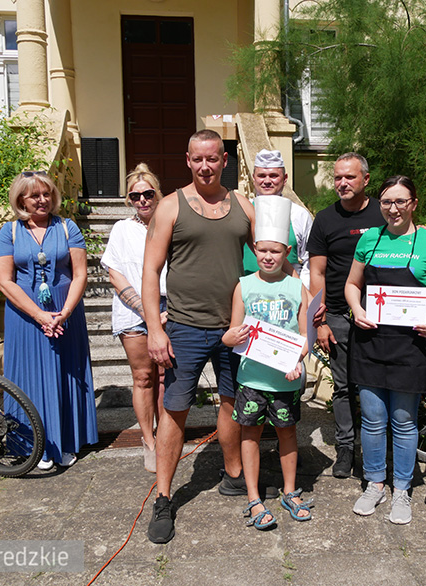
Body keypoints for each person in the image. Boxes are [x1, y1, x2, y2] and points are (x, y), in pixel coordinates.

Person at [142, 129, 277, 544]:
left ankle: (233, 475)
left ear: (224, 161)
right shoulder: (170, 207)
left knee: (234, 402)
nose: (205, 166)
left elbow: (273, 251)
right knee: (175, 410)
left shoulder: (241, 204)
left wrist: (301, 297)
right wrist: (154, 329)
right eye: (198, 159)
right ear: (188, 160)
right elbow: (150, 272)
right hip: (183, 327)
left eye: (213, 159)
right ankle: (163, 497)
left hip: (236, 328)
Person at [345, 176, 426, 524]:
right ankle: (375, 483)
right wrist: (358, 309)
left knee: (405, 422)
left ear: (413, 203)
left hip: (411, 347)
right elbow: (352, 284)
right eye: (386, 202)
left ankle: (402, 490)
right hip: (370, 342)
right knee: (372, 419)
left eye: (400, 201)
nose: (392, 209)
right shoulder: (369, 239)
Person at [0, 171, 98, 470]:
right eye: (35, 195)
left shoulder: (67, 227)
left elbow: (80, 273)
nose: (42, 200)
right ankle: (32, 446)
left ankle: (64, 442)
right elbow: (5, 281)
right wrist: (39, 314)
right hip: (25, 316)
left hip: (66, 312)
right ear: (21, 200)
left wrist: (63, 312)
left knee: (66, 374)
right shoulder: (9, 231)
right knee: (28, 377)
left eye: (47, 194)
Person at [223, 195, 312, 529]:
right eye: (263, 250)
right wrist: (228, 338)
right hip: (252, 379)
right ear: (254, 249)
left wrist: (299, 360)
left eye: (276, 251)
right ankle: (253, 497)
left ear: (286, 253)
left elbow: (305, 337)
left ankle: (290, 490)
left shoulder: (296, 288)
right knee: (250, 435)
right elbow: (234, 331)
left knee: (288, 433)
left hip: (284, 380)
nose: (269, 256)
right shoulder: (243, 286)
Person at [308, 152, 385, 478]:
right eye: (338, 177)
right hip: (338, 315)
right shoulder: (325, 219)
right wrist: (320, 321)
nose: (342, 183)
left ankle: (376, 449)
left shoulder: (385, 213)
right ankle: (344, 449)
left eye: (349, 177)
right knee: (342, 387)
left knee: (377, 384)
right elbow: (317, 273)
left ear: (365, 179)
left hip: (381, 315)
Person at [101, 163, 168, 473]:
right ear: (129, 199)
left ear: (158, 194)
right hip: (133, 310)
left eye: (148, 193)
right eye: (135, 196)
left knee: (167, 377)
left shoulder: (170, 222)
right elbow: (115, 273)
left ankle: (167, 437)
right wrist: (146, 310)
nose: (142, 200)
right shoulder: (121, 229)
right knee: (143, 377)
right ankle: (149, 441)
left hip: (170, 305)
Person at [242, 149, 313, 288]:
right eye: (262, 175)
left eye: (273, 176)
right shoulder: (242, 212)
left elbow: (308, 262)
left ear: (285, 178)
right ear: (253, 178)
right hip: (249, 294)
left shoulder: (299, 215)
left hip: (288, 295)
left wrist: (302, 293)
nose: (267, 181)